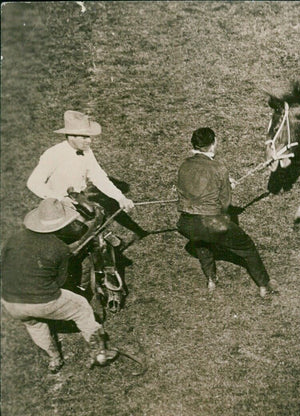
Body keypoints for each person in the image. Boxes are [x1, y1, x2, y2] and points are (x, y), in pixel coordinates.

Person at [1, 199, 118, 373]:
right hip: (42, 298)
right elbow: (60, 281)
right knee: (81, 308)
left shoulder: (15, 238)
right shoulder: (59, 248)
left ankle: (54, 359)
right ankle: (100, 351)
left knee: (35, 325)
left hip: (10, 300)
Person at [176, 127, 277, 298]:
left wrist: (221, 183)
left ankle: (210, 280)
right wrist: (225, 186)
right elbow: (225, 205)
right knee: (247, 247)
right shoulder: (219, 168)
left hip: (186, 224)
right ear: (213, 144)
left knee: (201, 243)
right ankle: (264, 285)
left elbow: (189, 188)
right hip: (211, 223)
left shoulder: (184, 165)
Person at [26, 110, 149, 244]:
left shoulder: (86, 151)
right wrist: (60, 199)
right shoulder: (53, 154)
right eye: (84, 137)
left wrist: (120, 197)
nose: (89, 141)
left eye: (89, 137)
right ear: (71, 136)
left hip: (78, 200)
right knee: (75, 242)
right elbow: (33, 183)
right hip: (58, 208)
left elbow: (98, 177)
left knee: (92, 226)